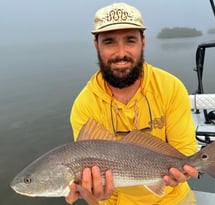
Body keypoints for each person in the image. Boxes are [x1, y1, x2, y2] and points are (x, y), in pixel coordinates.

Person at [66, 2, 198, 205]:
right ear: (96, 45)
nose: (121, 53)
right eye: (109, 42)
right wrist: (93, 196)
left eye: (130, 40)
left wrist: (185, 171)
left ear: (143, 42)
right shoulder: (84, 105)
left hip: (173, 198)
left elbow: (185, 155)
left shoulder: (170, 87)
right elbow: (89, 183)